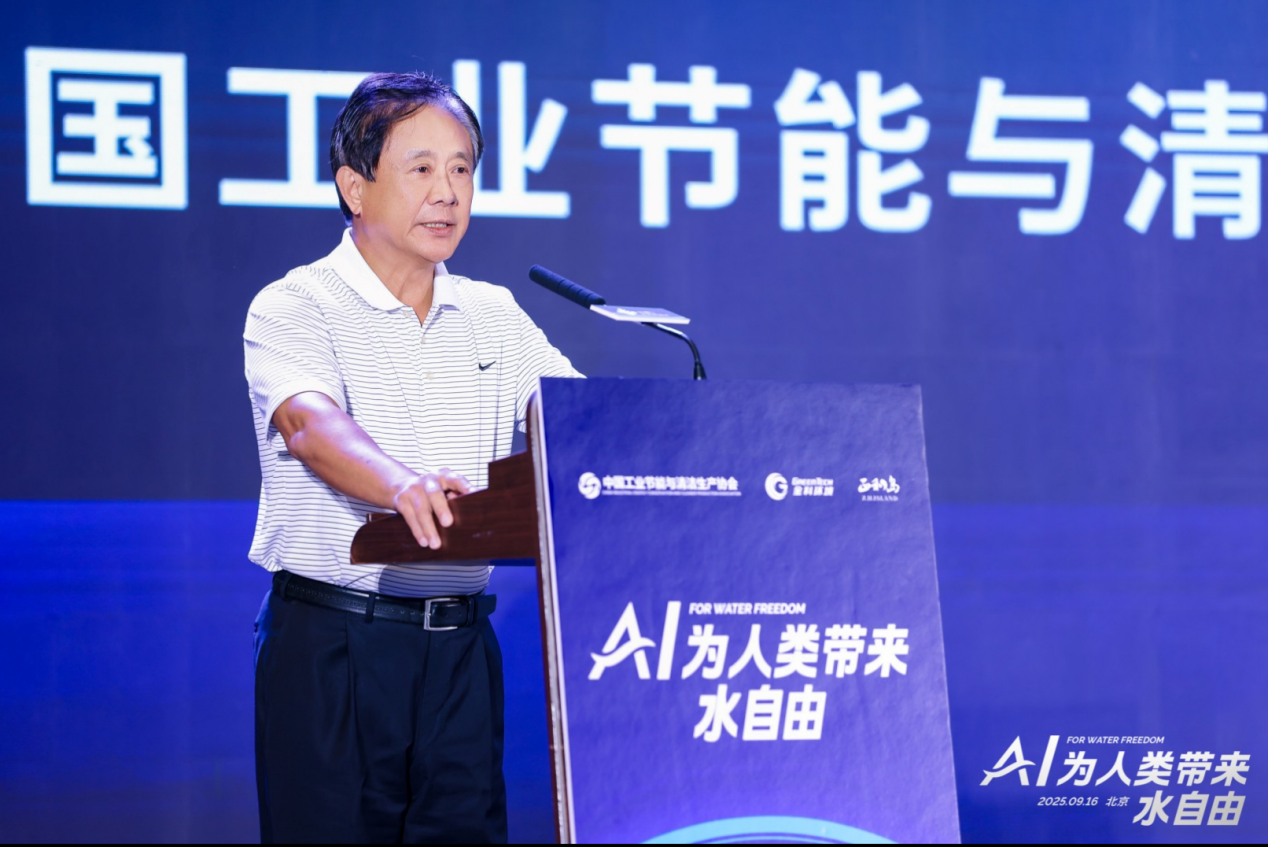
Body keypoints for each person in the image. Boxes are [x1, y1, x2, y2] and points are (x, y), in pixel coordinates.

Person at [243, 71, 580, 844]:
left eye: (462, 168)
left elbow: (577, 425)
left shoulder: (493, 314)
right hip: (334, 648)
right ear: (354, 187)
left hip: (461, 654)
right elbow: (308, 422)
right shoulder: (296, 304)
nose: (447, 192)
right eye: (421, 168)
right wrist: (400, 484)